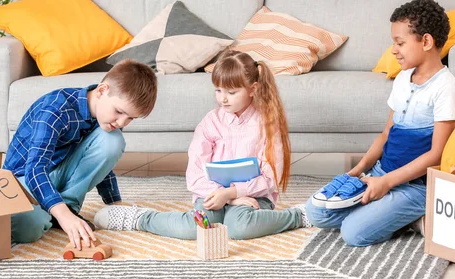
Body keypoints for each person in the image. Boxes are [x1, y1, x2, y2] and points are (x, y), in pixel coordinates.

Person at [94, 50, 309, 239]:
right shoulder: (210, 122)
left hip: (254, 198)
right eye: (218, 90)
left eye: (231, 92)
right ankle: (140, 218)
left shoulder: (267, 124)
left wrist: (234, 193)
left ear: (252, 89)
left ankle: (299, 215)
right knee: (195, 228)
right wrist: (226, 197)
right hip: (212, 195)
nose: (223, 99)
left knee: (240, 228)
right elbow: (195, 175)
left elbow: (270, 178)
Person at [306, 0, 455, 246]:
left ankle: (409, 216)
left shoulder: (445, 87)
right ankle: (391, 214)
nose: (393, 49)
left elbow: (437, 155)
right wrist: (360, 169)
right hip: (381, 173)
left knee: (353, 233)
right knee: (316, 212)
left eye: (400, 42)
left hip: (416, 187)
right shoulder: (402, 79)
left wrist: (387, 183)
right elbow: (386, 134)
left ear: (426, 41)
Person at [6, 59, 158, 249]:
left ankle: (63, 207)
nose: (121, 122)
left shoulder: (104, 118)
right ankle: (58, 213)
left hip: (56, 177)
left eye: (130, 118)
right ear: (102, 90)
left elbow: (101, 163)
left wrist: (115, 203)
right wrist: (64, 217)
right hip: (23, 181)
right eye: (119, 112)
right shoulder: (55, 110)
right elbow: (35, 170)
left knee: (113, 139)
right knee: (29, 229)